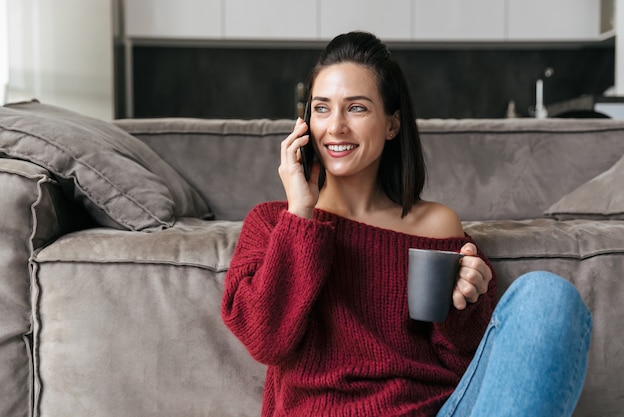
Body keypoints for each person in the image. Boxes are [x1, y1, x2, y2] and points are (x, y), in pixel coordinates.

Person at [222, 31, 592, 417]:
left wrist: (464, 304)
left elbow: (473, 369)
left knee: (548, 297)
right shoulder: (272, 224)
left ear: (392, 124)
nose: (335, 127)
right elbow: (267, 341)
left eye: (357, 108)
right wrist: (300, 215)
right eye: (322, 108)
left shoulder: (436, 225)